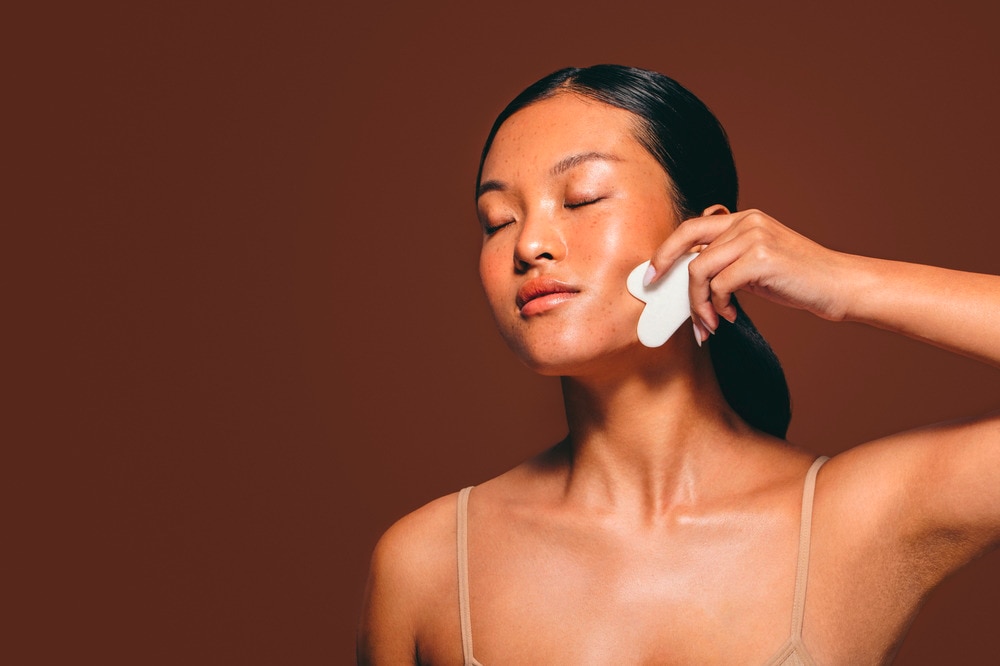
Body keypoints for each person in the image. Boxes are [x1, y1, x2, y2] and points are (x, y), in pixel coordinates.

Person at [357, 65, 1000, 664]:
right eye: (497, 220)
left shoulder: (855, 521)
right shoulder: (427, 564)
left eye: (581, 198)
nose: (528, 244)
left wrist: (844, 283)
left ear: (705, 236)